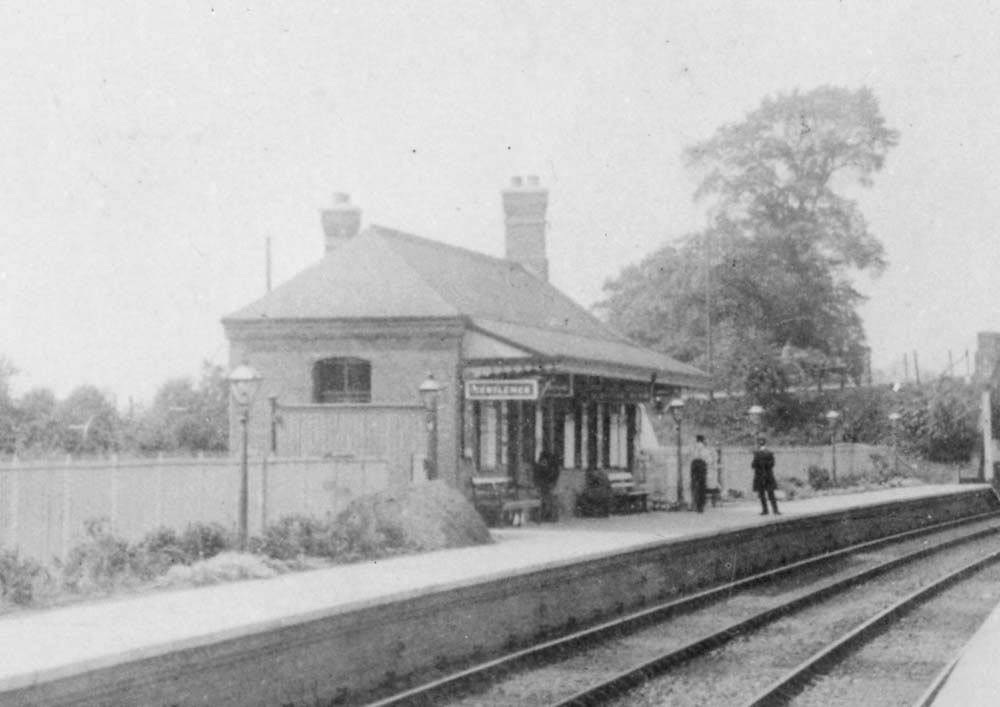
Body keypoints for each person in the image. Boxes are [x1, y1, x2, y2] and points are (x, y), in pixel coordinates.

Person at [752, 437, 780, 515]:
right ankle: (772, 510)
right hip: (766, 475)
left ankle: (769, 510)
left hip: (763, 475)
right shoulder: (767, 453)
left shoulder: (759, 453)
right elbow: (754, 465)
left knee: (766, 494)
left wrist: (760, 463)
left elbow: (754, 465)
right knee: (766, 494)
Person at [690, 435, 709, 513]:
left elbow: (690, 455)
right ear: (702, 440)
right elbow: (706, 457)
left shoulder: (693, 447)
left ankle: (695, 503)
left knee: (694, 485)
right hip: (701, 465)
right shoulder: (703, 448)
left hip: (694, 465)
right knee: (702, 486)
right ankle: (700, 505)